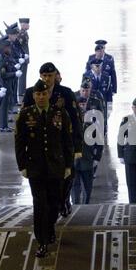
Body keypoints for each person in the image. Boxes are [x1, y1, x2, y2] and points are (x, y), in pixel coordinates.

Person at [15, 79, 73, 258]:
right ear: (33, 96)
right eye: (37, 94)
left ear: (48, 94)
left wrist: (69, 165)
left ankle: (50, 230)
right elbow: (19, 142)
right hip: (36, 168)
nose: (41, 97)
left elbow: (67, 141)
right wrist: (22, 165)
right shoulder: (26, 115)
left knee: (54, 203)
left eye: (44, 94)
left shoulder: (59, 113)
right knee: (40, 205)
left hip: (56, 167)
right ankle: (42, 241)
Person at [22, 62, 83, 218]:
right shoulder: (31, 93)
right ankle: (51, 209)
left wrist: (77, 148)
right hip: (40, 145)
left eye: (50, 75)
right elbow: (22, 122)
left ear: (56, 75)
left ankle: (63, 200)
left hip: (63, 145)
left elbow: (76, 121)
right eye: (44, 76)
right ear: (40, 76)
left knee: (67, 177)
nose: (48, 79)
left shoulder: (66, 93)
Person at [71, 96, 104, 204]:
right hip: (74, 161)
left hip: (87, 161)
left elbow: (99, 143)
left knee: (87, 187)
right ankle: (75, 206)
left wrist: (96, 158)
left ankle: (86, 207)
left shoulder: (92, 126)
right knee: (74, 187)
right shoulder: (71, 125)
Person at [0, 37, 22, 132]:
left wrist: (14, 68)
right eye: (8, 48)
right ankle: (2, 126)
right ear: (4, 48)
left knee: (6, 105)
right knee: (3, 107)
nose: (10, 49)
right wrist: (14, 74)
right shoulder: (1, 59)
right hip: (3, 84)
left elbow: (9, 68)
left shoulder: (6, 57)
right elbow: (2, 74)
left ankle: (5, 125)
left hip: (7, 84)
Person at [18, 18, 30, 97]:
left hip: (25, 57)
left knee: (24, 74)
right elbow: (19, 46)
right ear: (23, 25)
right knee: (22, 75)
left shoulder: (24, 32)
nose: (28, 26)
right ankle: (22, 91)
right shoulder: (22, 33)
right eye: (27, 24)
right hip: (23, 57)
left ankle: (23, 90)